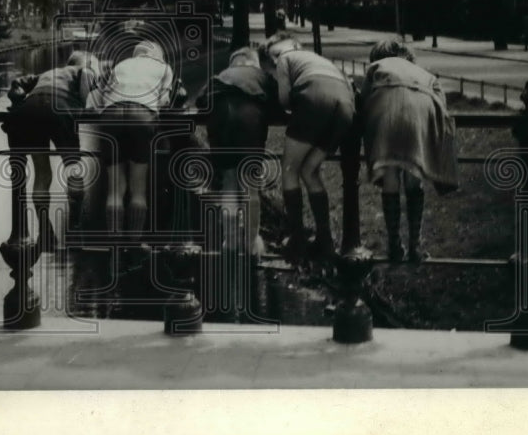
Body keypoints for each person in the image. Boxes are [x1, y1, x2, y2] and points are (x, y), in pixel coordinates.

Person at [360, 38, 458, 263]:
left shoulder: (377, 67)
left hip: (386, 115)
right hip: (419, 117)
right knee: (414, 179)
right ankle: (416, 246)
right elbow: (442, 105)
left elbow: (363, 100)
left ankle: (394, 245)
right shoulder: (424, 73)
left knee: (390, 177)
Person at [262, 32, 355, 267]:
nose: (275, 59)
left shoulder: (286, 59)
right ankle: (325, 240)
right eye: (272, 56)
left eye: (276, 53)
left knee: (289, 169)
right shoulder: (318, 60)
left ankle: (297, 238)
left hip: (314, 98)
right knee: (309, 170)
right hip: (345, 106)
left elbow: (284, 100)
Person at [5, 51, 102, 252]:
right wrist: (87, 106)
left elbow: (17, 83)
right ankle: (74, 228)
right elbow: (88, 85)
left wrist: (19, 100)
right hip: (60, 107)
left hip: (31, 108)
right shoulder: (84, 70)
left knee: (42, 172)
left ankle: (45, 230)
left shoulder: (48, 73)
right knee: (73, 168)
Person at [88, 39, 179, 237]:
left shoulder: (121, 65)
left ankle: (115, 244)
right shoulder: (164, 68)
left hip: (111, 116)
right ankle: (134, 244)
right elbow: (164, 102)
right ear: (158, 55)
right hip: (141, 116)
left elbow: (100, 96)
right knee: (138, 189)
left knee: (115, 189)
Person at [196, 46, 280, 257]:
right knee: (250, 185)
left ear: (234, 62)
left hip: (219, 117)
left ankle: (231, 241)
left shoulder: (220, 76)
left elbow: (200, 101)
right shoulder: (260, 75)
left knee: (229, 181)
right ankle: (251, 244)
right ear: (253, 62)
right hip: (248, 118)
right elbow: (277, 104)